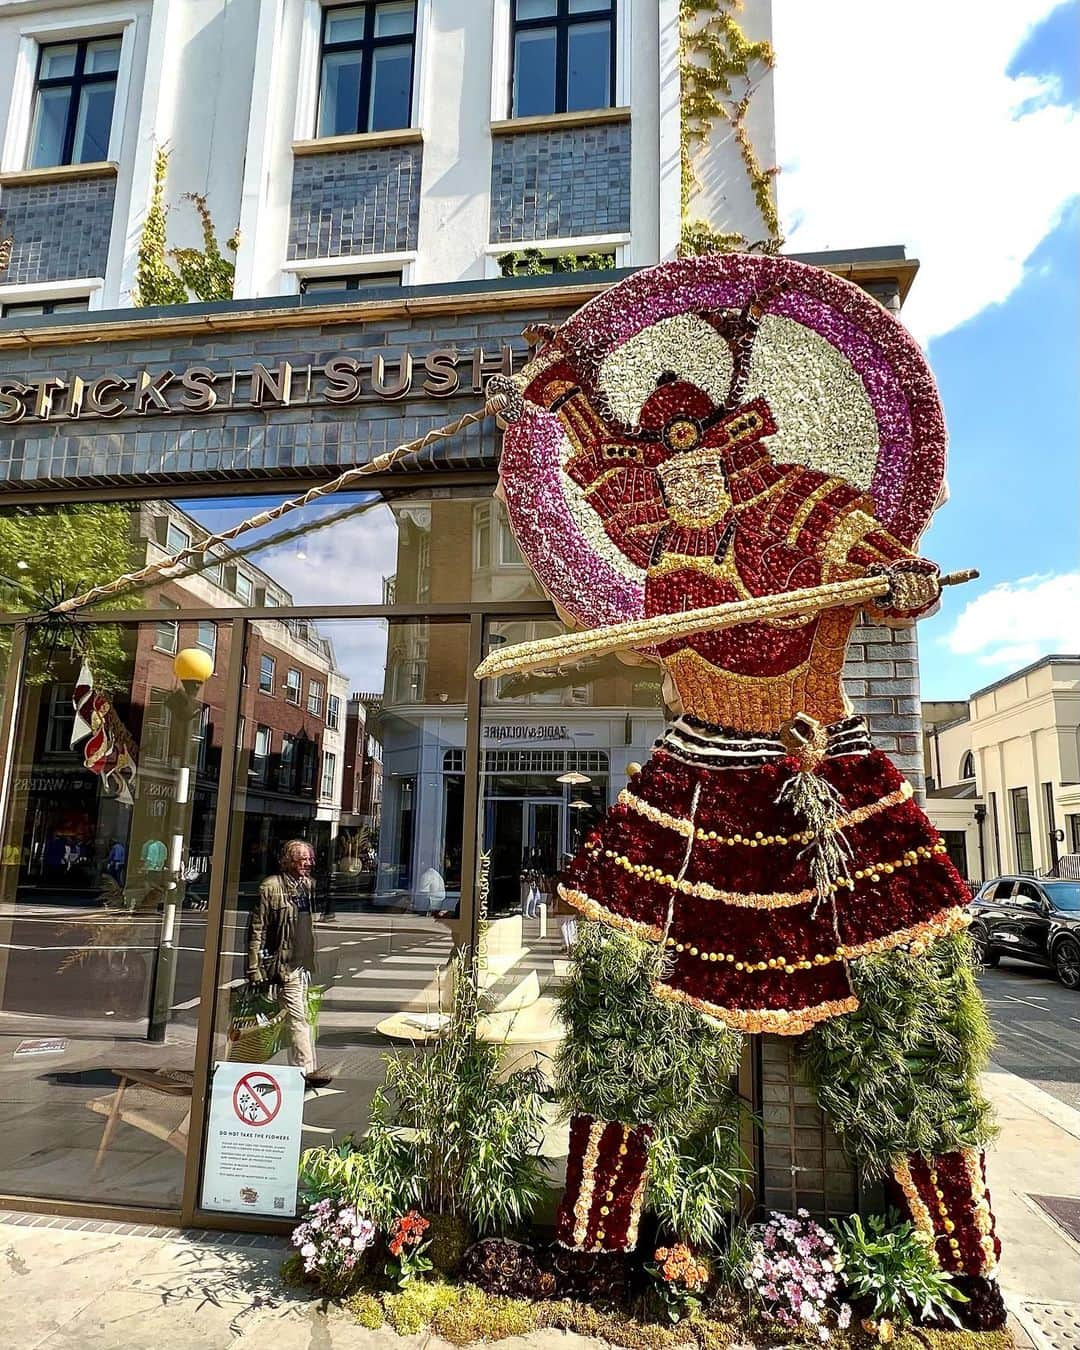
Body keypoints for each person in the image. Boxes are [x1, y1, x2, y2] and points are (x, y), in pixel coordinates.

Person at [246, 839, 330, 1088]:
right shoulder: (271, 887)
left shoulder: (306, 886)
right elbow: (257, 929)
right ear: (289, 861)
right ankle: (307, 1071)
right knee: (298, 1020)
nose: (309, 863)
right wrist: (254, 968)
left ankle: (301, 1070)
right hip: (283, 967)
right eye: (304, 859)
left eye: (310, 858)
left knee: (300, 1019)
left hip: (301, 966)